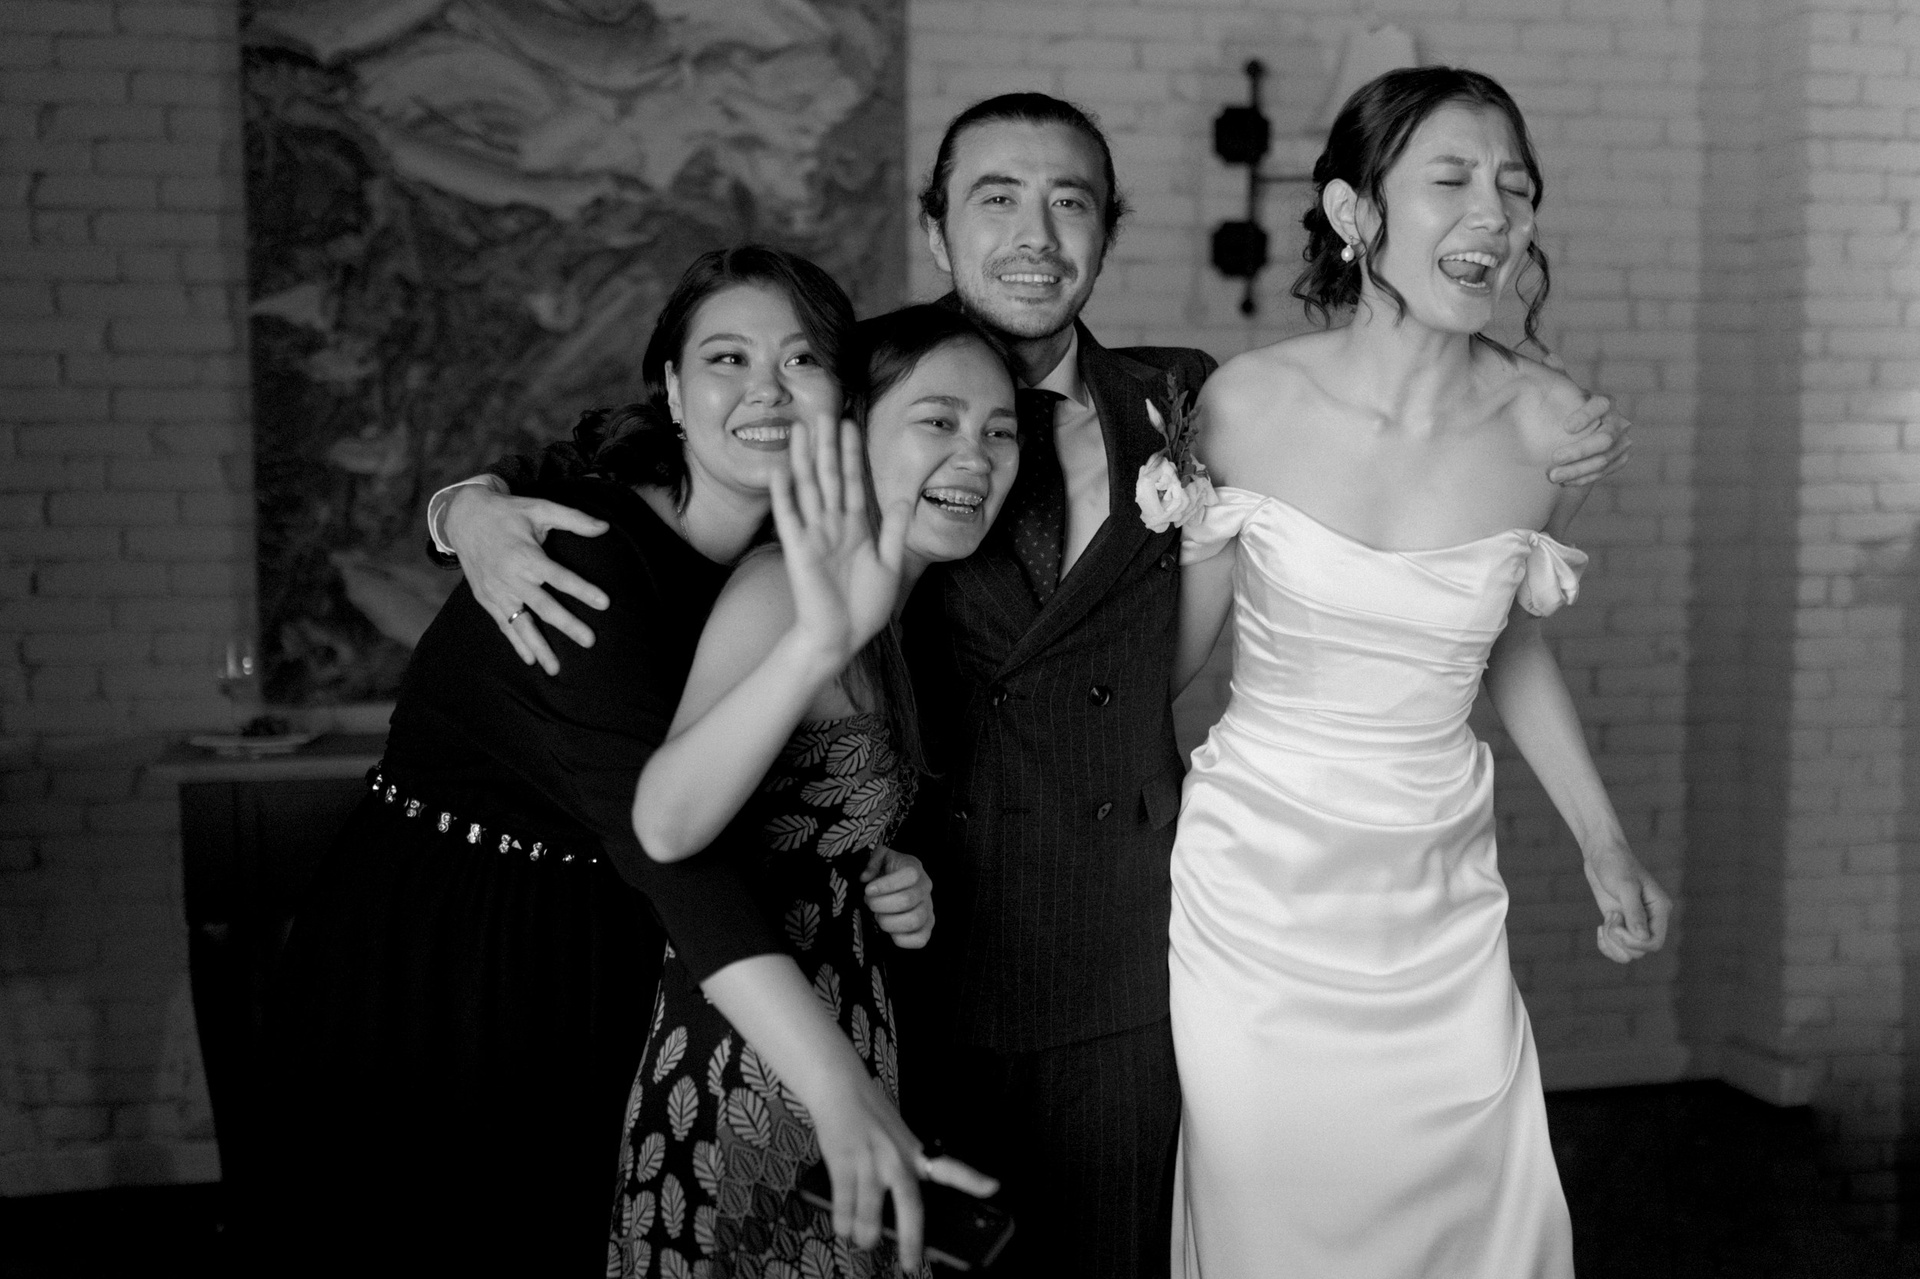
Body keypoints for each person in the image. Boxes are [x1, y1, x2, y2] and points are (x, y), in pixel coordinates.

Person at [431, 93, 1634, 1277]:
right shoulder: (864, 386)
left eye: (1071, 203)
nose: (1035, 235)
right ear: (937, 227)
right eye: (995, 199)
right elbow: (688, 453)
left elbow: (1410, 477)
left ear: (1106, 232)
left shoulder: (1187, 400)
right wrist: (467, 507)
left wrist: (1521, 394)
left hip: (1127, 949)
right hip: (905, 971)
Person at [257, 248, 949, 1276]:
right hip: (453, 955)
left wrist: (882, 863)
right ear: (671, 387)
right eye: (727, 358)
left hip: (614, 950)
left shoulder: (786, 567)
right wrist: (840, 1089)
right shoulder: (582, 556)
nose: (766, 390)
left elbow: (752, 793)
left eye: (803, 359)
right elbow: (670, 848)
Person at [1166, 67, 1673, 1277]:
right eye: (1451, 180)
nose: (1493, 215)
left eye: (1515, 187)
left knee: (1464, 1225)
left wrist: (1605, 841)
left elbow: (1504, 639)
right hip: (1256, 892)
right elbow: (1173, 667)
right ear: (1355, 211)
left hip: (1439, 896)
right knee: (1270, 1225)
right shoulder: (1245, 405)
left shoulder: (1551, 424)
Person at [607, 305, 1017, 1275]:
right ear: (848, 436)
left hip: (852, 1034)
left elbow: (803, 816)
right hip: (745, 1062)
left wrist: (894, 873)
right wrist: (815, 644)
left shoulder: (907, 612)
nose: (975, 455)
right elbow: (665, 821)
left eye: (1000, 432)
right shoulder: (784, 590)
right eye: (938, 419)